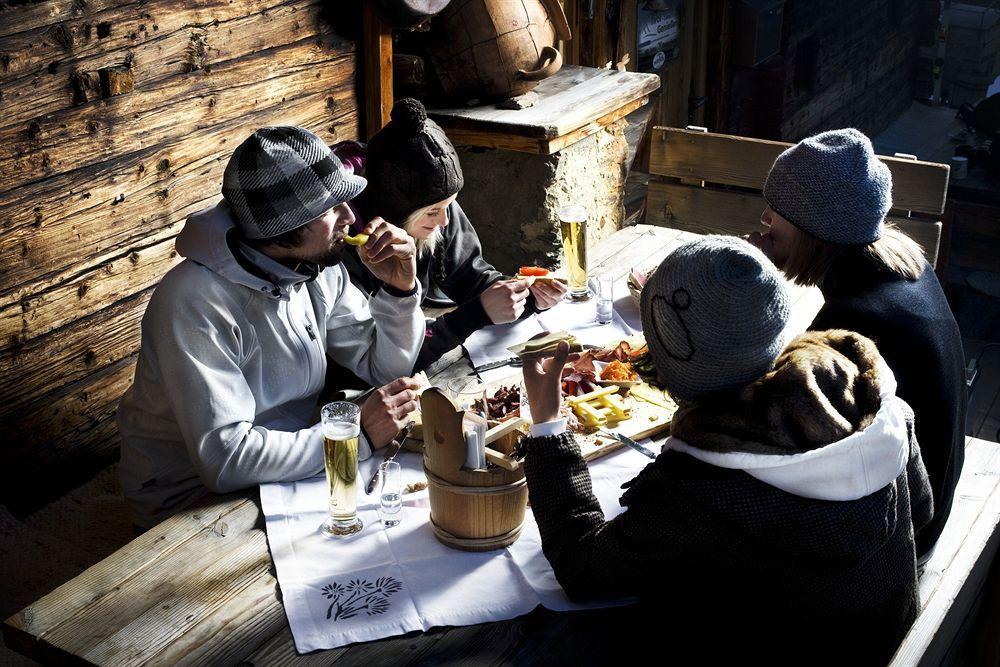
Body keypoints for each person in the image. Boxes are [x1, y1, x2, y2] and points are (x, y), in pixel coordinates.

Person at [520, 236, 933, 663]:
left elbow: (582, 568)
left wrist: (549, 424)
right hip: (886, 637)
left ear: (671, 357)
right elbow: (920, 511)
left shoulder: (698, 494)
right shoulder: (870, 397)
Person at [117, 127, 425, 529]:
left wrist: (399, 291)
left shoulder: (313, 269)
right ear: (285, 227)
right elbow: (225, 460)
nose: (350, 216)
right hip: (189, 496)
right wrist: (352, 437)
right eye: (330, 208)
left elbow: (383, 368)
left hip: (291, 459)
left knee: (400, 510)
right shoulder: (193, 302)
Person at [747, 127, 966, 558]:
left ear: (814, 226)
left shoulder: (856, 320)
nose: (765, 222)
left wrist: (751, 285)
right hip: (930, 491)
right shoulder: (903, 261)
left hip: (902, 533)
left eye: (776, 212)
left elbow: (778, 425)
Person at [342, 98, 567, 371]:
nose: (445, 220)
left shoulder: (436, 204)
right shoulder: (345, 250)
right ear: (394, 214)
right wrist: (475, 315)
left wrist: (527, 298)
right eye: (432, 211)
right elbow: (388, 359)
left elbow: (471, 278)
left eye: (449, 205)